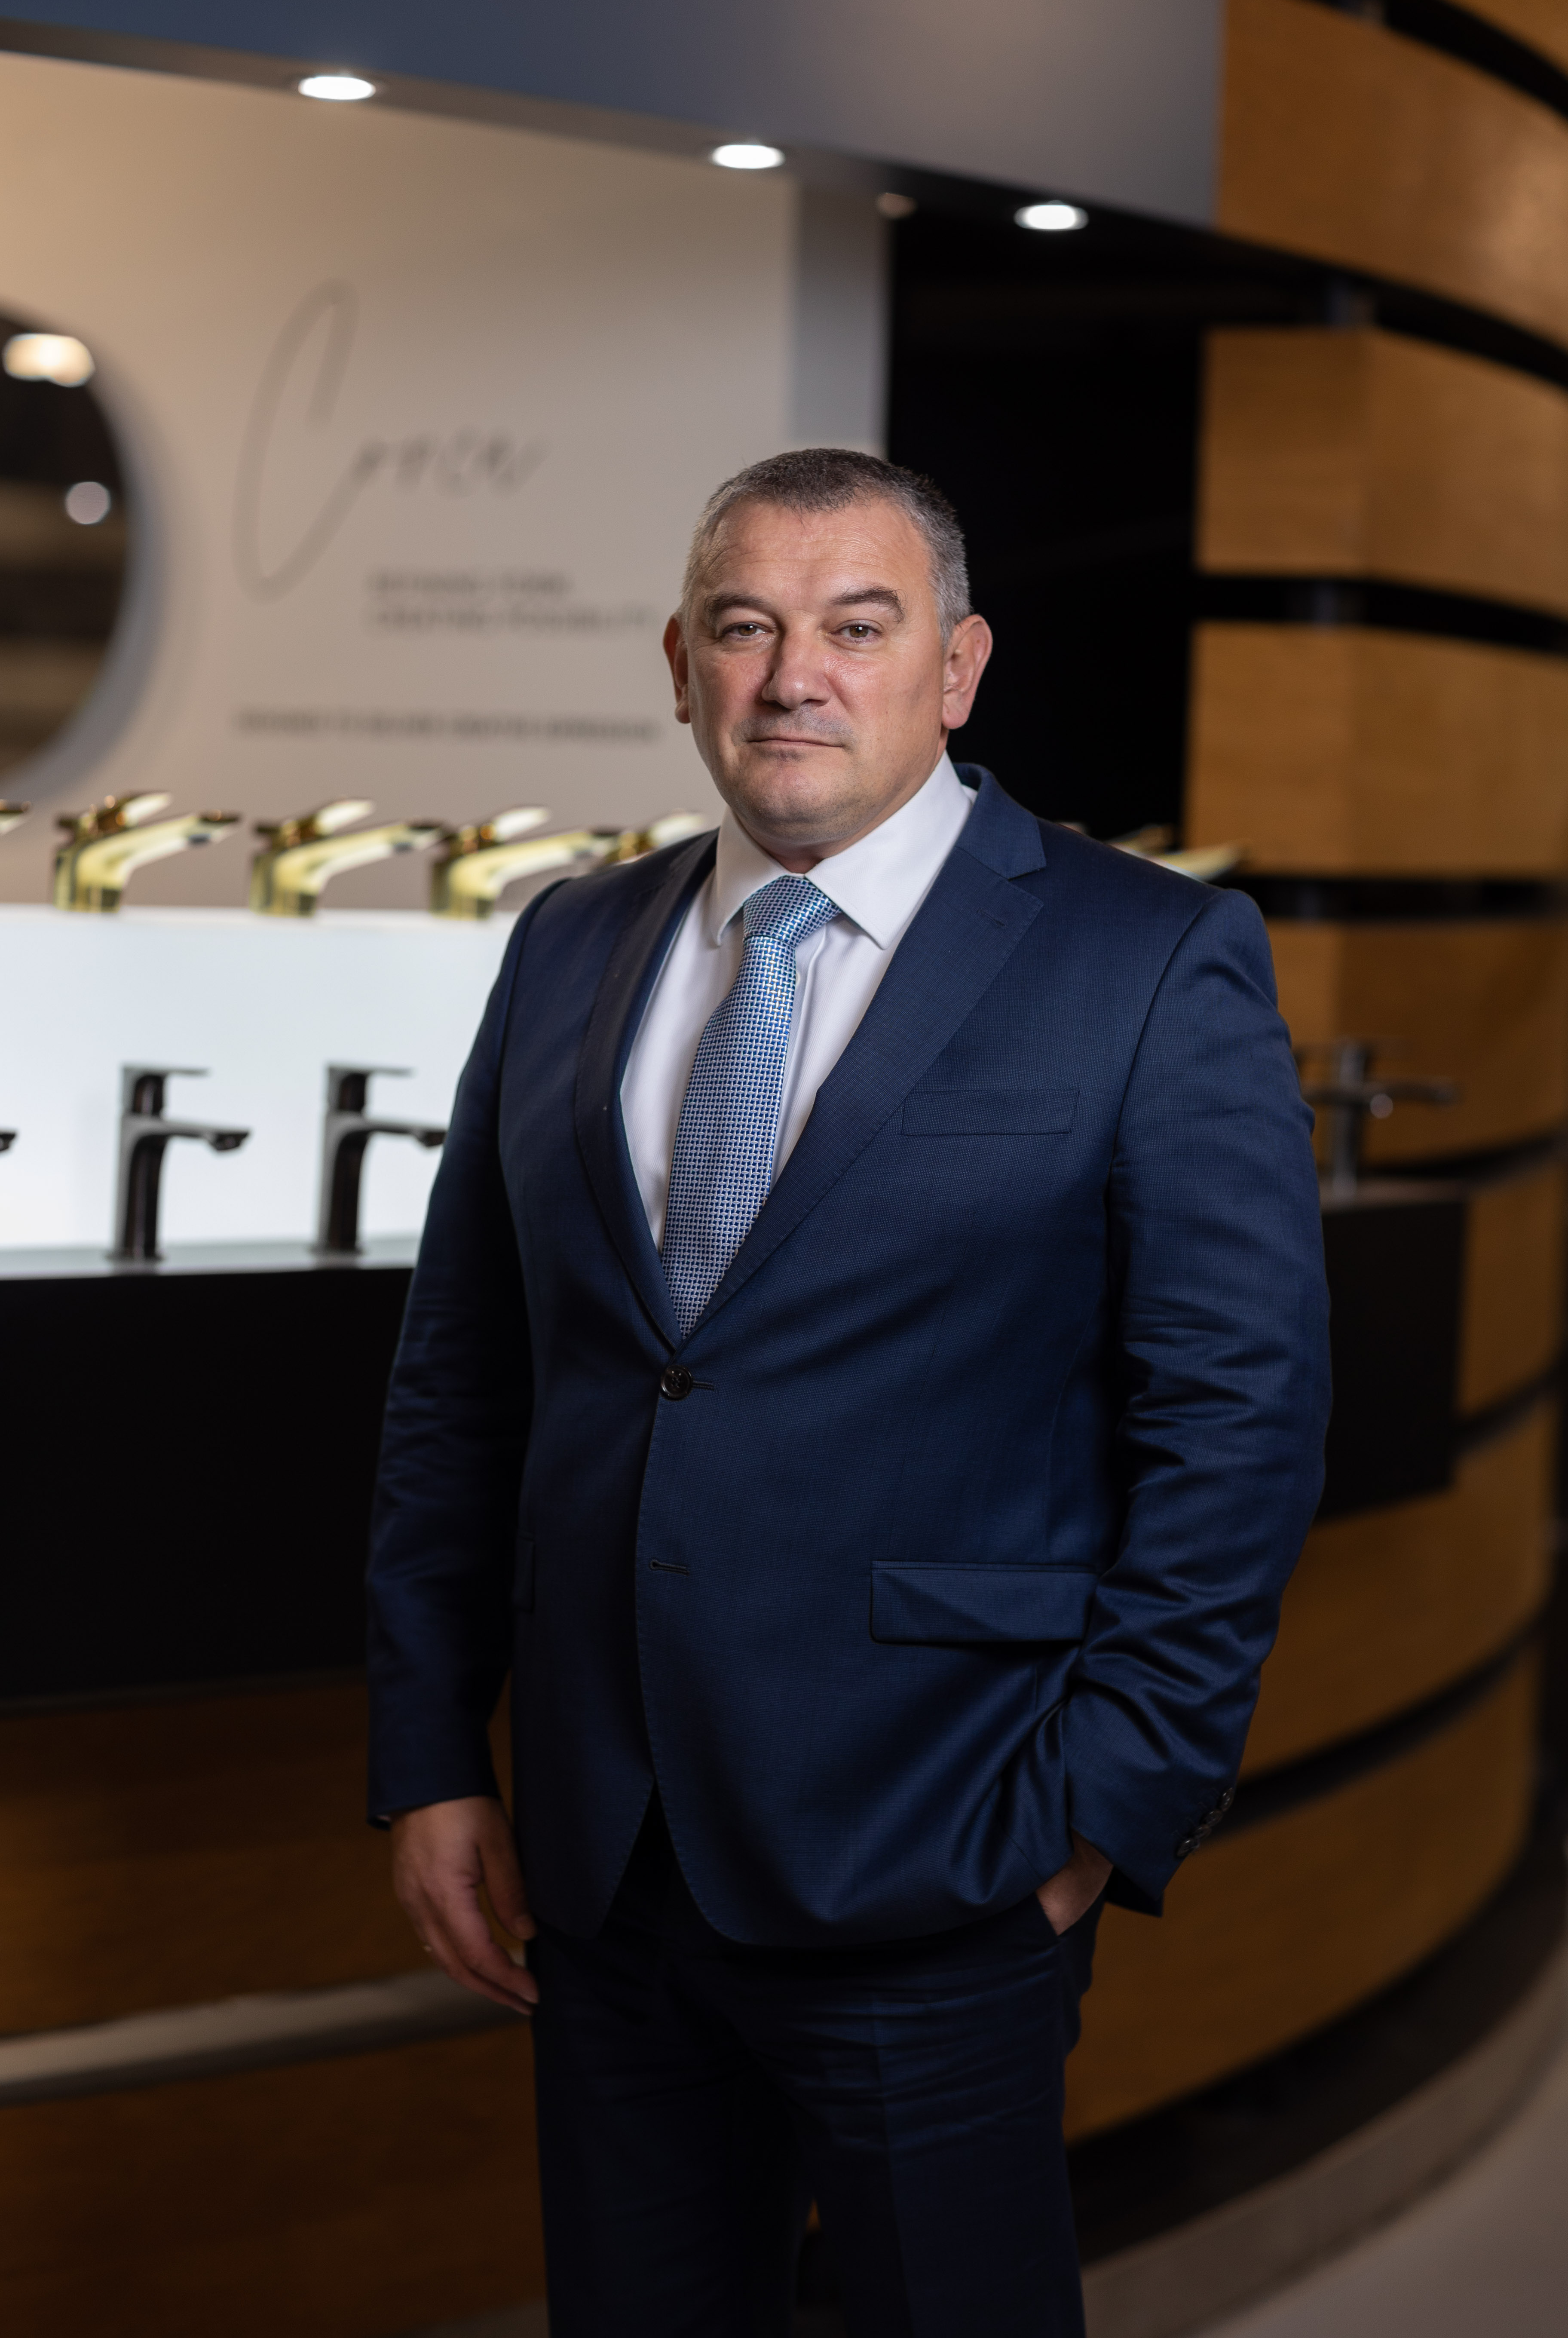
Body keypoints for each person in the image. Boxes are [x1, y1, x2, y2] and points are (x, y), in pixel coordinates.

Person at [366, 448, 1331, 2337]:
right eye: (745, 626)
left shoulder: (1147, 957)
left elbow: (1238, 1421)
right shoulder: (569, 943)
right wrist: (430, 1755)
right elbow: (462, 1381)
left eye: (857, 628)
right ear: (681, 666)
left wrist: (1102, 1813)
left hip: (948, 1855)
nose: (793, 674)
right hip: (606, 1860)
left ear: (956, 669)